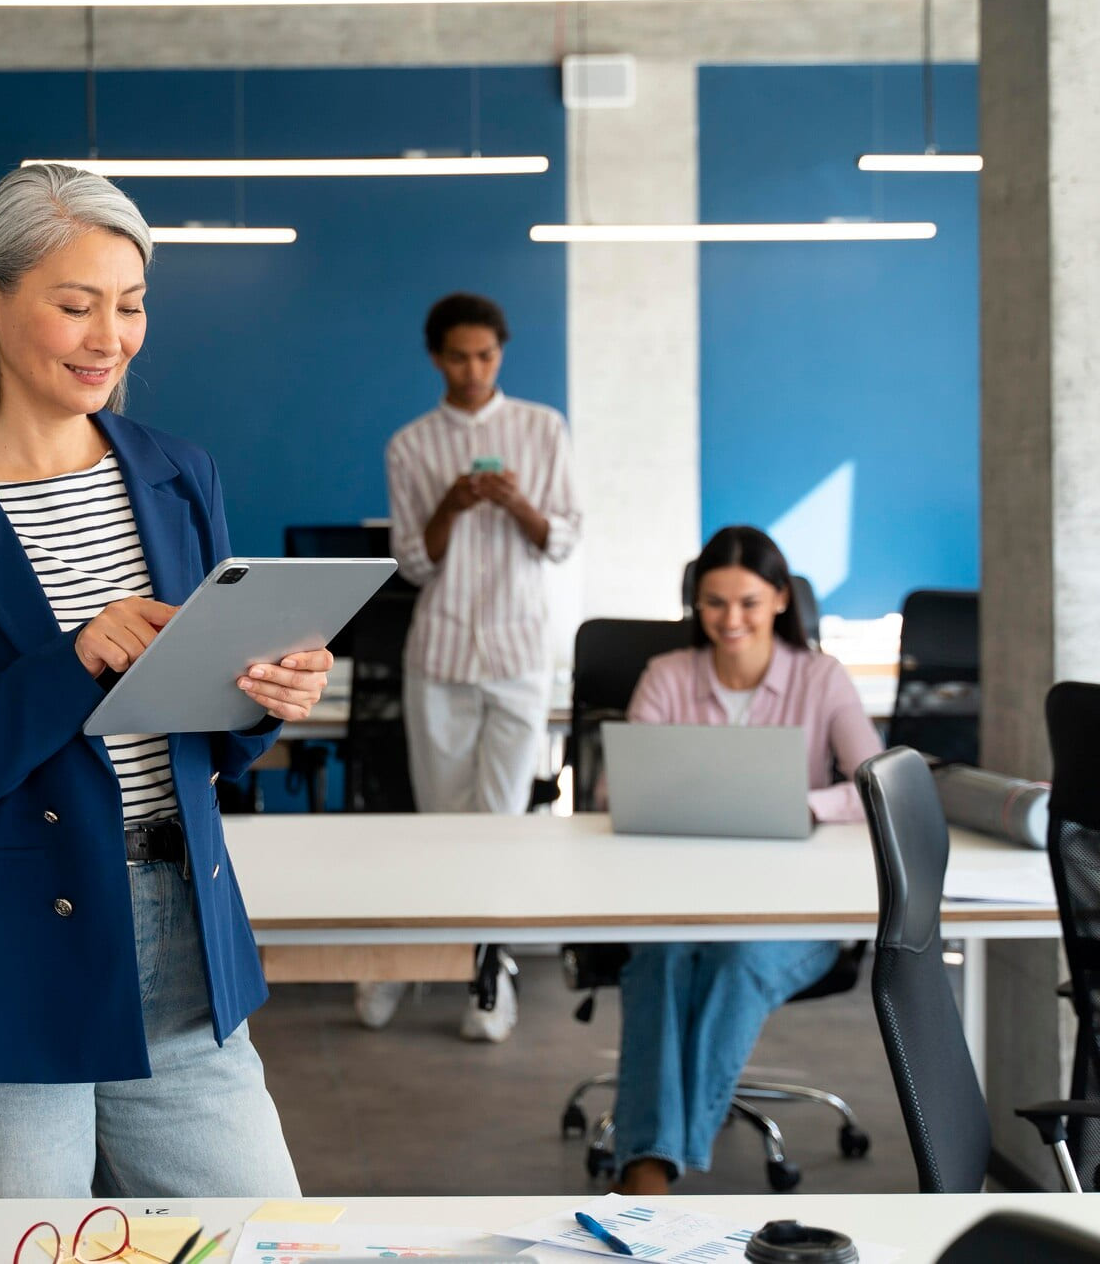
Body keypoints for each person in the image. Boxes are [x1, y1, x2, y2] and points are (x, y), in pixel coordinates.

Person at [0, 162, 329, 1198]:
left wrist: (262, 696)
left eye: (130, 304)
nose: (110, 336)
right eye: (75, 304)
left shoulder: (176, 472)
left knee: (272, 1240)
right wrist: (72, 660)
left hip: (181, 951)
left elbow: (199, 737)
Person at [611, 525, 883, 1194]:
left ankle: (653, 1161)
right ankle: (650, 1163)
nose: (730, 620)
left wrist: (807, 803)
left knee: (737, 960)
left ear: (781, 600)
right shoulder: (667, 675)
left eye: (748, 602)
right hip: (680, 898)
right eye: (713, 602)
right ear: (695, 604)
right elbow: (622, 785)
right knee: (661, 959)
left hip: (792, 909)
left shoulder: (821, 677)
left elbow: (877, 781)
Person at [366, 291, 581, 1040]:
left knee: (501, 823)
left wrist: (517, 504)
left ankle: (492, 976)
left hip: (520, 652)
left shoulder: (541, 427)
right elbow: (415, 564)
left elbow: (562, 539)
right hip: (443, 651)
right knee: (443, 825)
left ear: (502, 353)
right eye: (458, 355)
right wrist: (453, 505)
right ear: (436, 357)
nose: (472, 368)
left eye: (486, 355)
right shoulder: (411, 444)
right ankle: (418, 959)